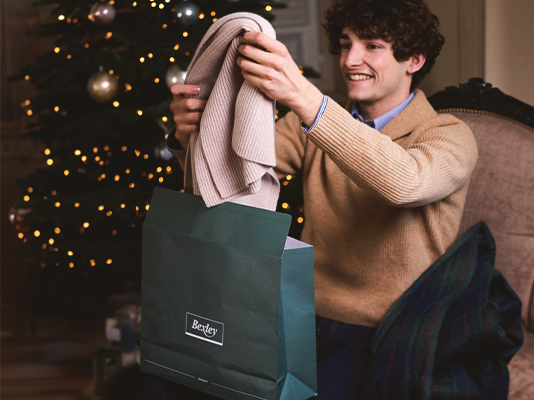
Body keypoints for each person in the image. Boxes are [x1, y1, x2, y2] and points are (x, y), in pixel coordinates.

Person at [168, 0, 478, 397]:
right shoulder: (311, 124)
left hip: (384, 331)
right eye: (346, 44)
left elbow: (405, 183)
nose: (350, 60)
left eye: (372, 46)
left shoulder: (449, 134)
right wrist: (188, 137)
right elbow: (232, 177)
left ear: (414, 60)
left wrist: (304, 97)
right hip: (296, 315)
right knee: (191, 382)